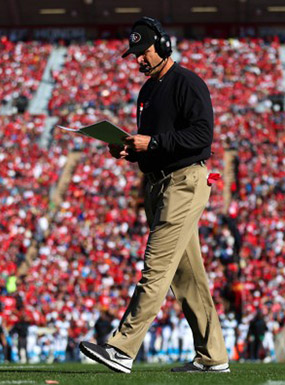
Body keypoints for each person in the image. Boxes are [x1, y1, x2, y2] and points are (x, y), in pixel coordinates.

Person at [79, 16, 229, 374]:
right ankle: (213, 357)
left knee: (156, 267)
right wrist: (129, 149)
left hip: (184, 182)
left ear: (162, 46)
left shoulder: (187, 83)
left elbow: (202, 137)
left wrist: (155, 142)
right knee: (187, 277)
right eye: (134, 55)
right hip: (159, 185)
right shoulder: (147, 91)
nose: (138, 61)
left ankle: (122, 348)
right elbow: (152, 144)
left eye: (143, 52)